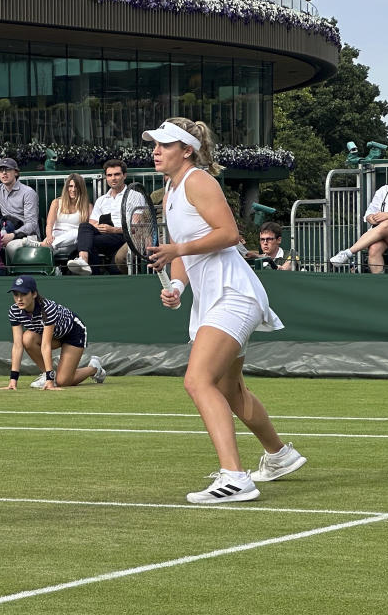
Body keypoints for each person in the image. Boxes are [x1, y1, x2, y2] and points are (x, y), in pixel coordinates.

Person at [143, 117, 306, 504]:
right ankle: (279, 456)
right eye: (155, 144)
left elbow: (229, 234)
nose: (155, 151)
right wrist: (178, 285)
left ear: (187, 150)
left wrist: (176, 251)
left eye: (165, 145)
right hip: (210, 299)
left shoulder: (200, 180)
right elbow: (184, 244)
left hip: (233, 293)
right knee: (230, 389)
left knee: (197, 381)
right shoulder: (170, 189)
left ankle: (235, 478)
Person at [0, 275, 105, 390]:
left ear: (34, 294)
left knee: (63, 381)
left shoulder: (47, 309)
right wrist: (13, 380)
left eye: (24, 294)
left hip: (73, 333)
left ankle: (94, 368)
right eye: (16, 294)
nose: (19, 299)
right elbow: (17, 346)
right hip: (55, 336)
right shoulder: (14, 311)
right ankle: (47, 374)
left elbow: (45, 345)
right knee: (27, 339)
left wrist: (51, 381)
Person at [68, 160, 136, 275]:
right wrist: (100, 227)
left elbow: (136, 227)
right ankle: (83, 260)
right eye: (109, 175)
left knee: (87, 242)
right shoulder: (102, 200)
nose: (113, 178)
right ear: (106, 178)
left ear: (124, 175)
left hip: (124, 236)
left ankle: (90, 271)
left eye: (117, 174)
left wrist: (114, 230)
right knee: (85, 226)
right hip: (105, 236)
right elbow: (92, 222)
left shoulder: (134, 196)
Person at [28, 173, 91, 266]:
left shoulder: (88, 206)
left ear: (81, 188)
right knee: (50, 251)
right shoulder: (57, 202)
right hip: (55, 236)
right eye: (70, 186)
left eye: (76, 186)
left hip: (73, 241)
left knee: (79, 231)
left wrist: (51, 243)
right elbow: (49, 224)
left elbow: (89, 230)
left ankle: (44, 246)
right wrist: (49, 236)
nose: (73, 189)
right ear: (66, 187)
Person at [330, 182, 388, 273]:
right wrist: (371, 217)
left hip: (386, 227)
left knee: (387, 224)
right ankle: (379, 283)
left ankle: (348, 252)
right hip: (383, 234)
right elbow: (369, 213)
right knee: (374, 249)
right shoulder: (385, 190)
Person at [0, 157, 39, 260]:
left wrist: (13, 235)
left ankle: (11, 274)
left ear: (16, 172)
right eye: (1, 170)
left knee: (10, 246)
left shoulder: (28, 193)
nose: (4, 173)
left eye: (8, 170)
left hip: (27, 235)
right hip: (6, 230)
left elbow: (32, 224)